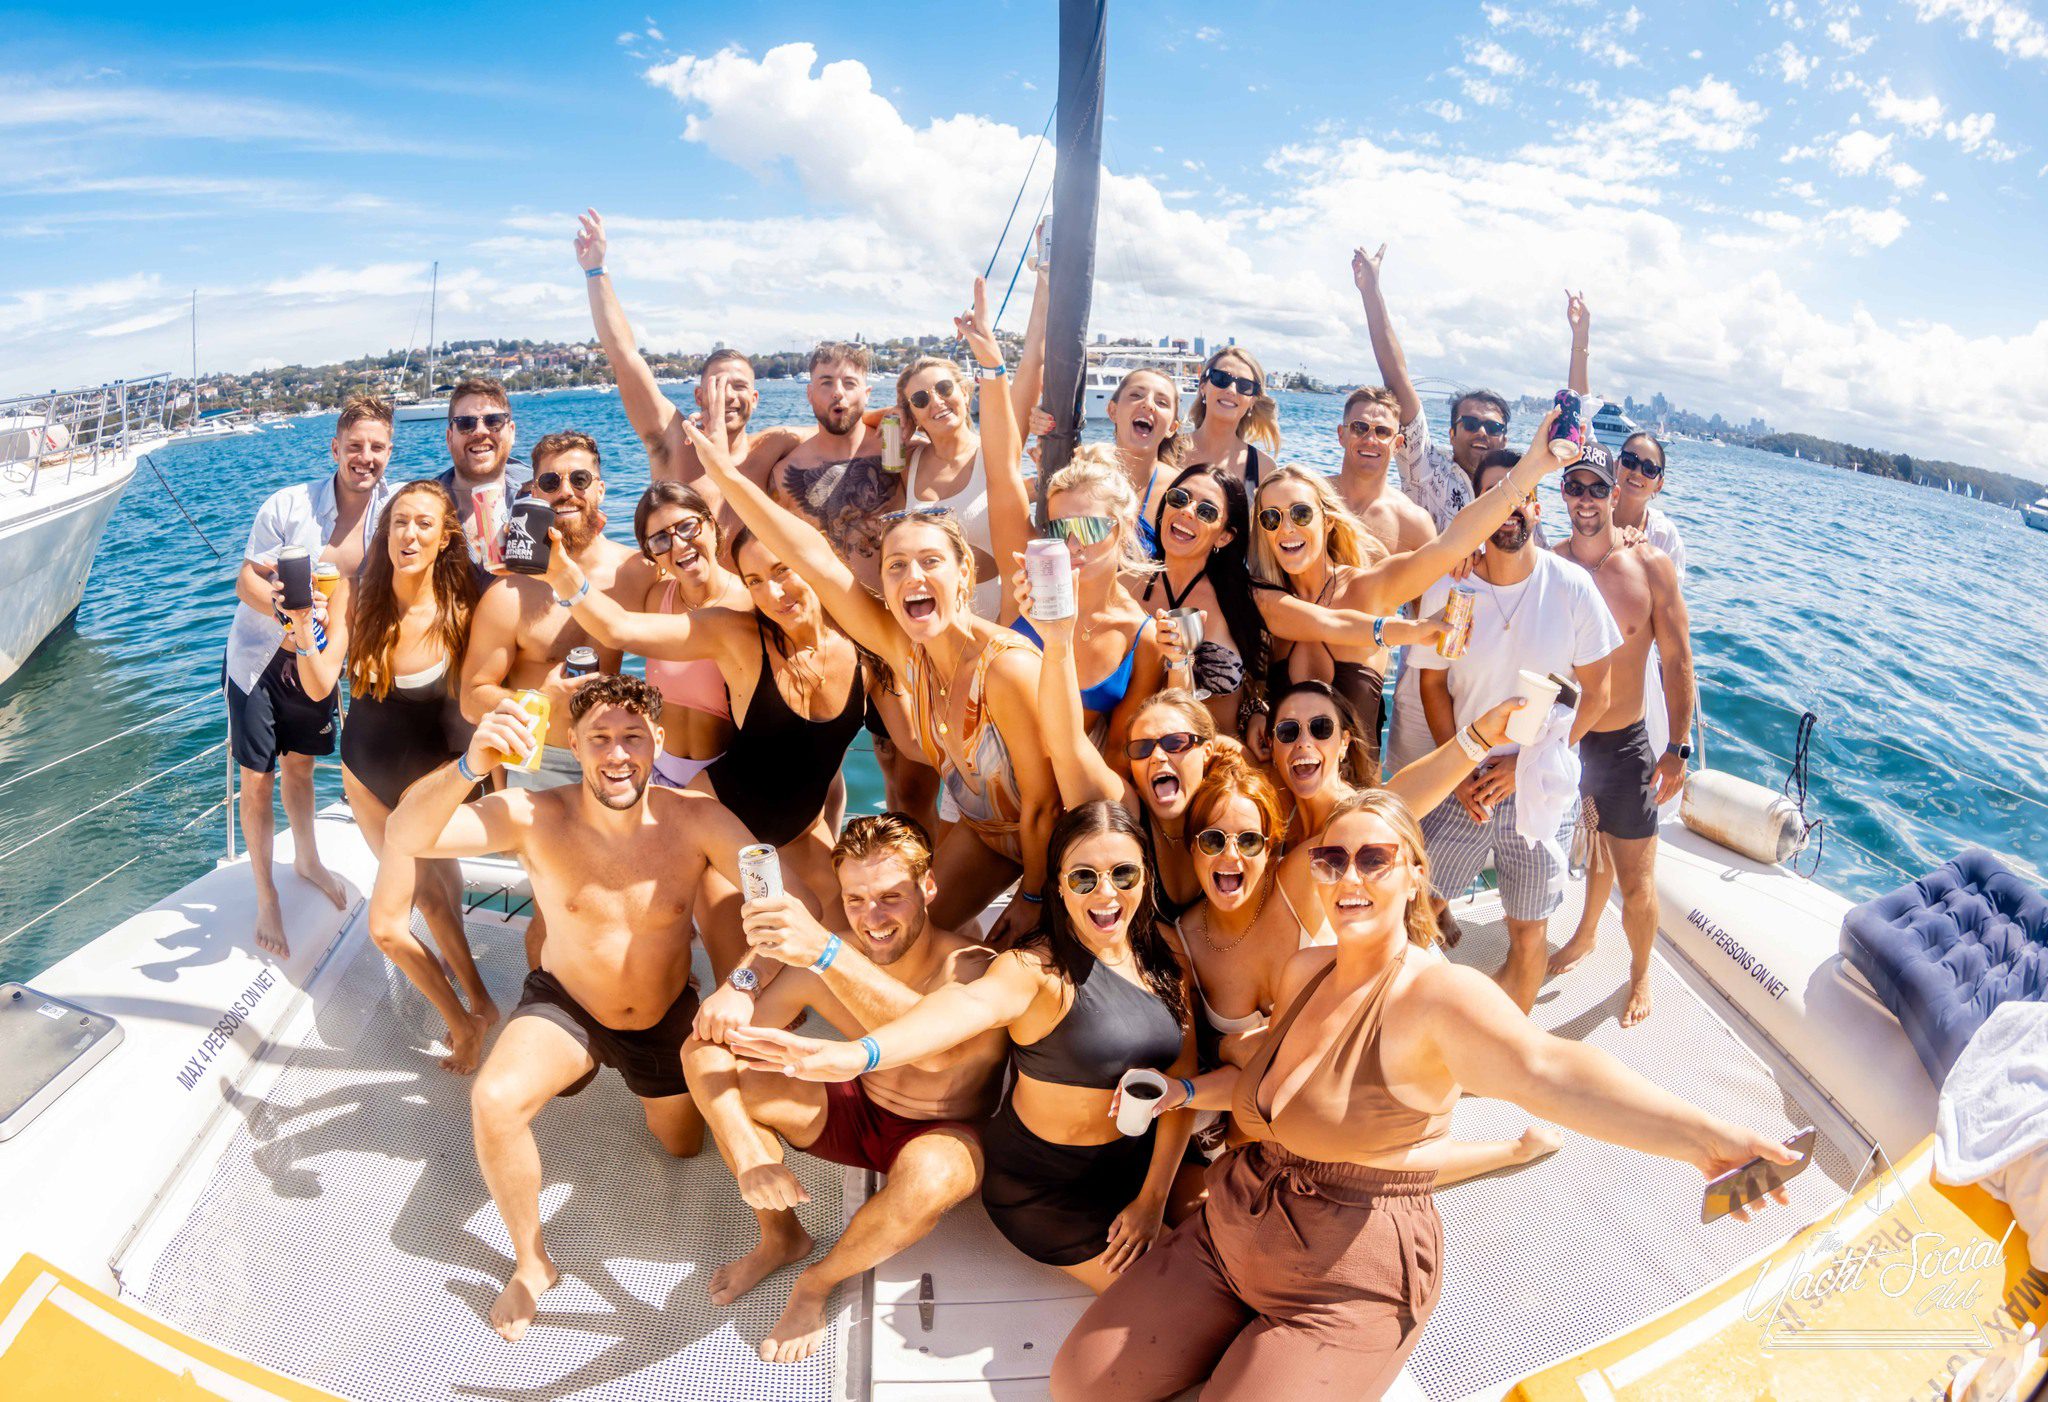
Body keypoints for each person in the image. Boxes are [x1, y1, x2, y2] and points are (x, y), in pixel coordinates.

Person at [1050, 788, 1800, 1401]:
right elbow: (1262, 1085)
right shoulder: (1308, 968)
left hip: (1346, 1280)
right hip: (1240, 1226)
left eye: (1374, 859)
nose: (1349, 877)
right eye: (1332, 858)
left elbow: (1552, 1070)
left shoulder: (1436, 998)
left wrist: (1707, 1140)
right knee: (1078, 1383)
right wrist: (1183, 1090)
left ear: (1414, 872)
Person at [374, 677, 786, 1344]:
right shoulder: (532, 814)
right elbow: (405, 830)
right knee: (495, 1100)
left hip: (662, 1018)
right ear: (573, 744)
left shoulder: (702, 822)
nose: (617, 754)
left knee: (681, 1148)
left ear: (657, 742)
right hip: (564, 1007)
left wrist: (741, 982)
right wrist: (470, 764)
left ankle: (672, 1106)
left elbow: (785, 907)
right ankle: (532, 1263)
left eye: (632, 737)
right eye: (599, 738)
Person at [729, 802, 1200, 1295]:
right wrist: (856, 1054)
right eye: (1084, 877)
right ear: (1059, 884)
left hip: (1138, 1162)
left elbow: (1181, 1083)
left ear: (1146, 875)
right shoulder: (1028, 970)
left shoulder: (1164, 952)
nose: (1106, 892)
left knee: (1230, 1259)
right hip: (1049, 1189)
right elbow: (959, 1011)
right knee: (1174, 1296)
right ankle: (814, 1280)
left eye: (1123, 873)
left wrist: (1153, 1198)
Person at [689, 372, 1058, 939]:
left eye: (930, 562)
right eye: (896, 566)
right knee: (890, 934)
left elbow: (1042, 806)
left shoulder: (1005, 664)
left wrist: (1033, 896)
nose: (912, 576)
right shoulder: (904, 651)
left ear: (965, 575)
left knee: (1005, 951)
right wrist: (724, 476)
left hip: (1054, 841)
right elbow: (810, 555)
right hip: (987, 833)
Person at [682, 814, 1008, 1364]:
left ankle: (817, 1281)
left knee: (931, 1177)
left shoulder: (973, 970)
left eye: (891, 897)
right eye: (855, 900)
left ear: (928, 888)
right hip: (859, 1109)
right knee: (736, 1082)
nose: (872, 919)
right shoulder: (823, 967)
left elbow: (938, 1049)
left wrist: (829, 952)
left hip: (945, 1131)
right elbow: (702, 1049)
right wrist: (746, 1155)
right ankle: (781, 1234)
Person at [538, 518, 869, 929]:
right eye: (755, 581)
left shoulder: (862, 642)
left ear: (815, 560)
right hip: (718, 828)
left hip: (801, 832)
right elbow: (618, 628)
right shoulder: (737, 633)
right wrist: (561, 573)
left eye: (782, 569)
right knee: (765, 953)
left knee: (846, 940)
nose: (774, 592)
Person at [280, 479, 494, 1071]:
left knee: (443, 898)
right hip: (369, 772)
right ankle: (469, 1014)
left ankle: (478, 1002)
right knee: (421, 900)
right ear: (386, 531)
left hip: (441, 777)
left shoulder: (470, 596)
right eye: (400, 522)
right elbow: (321, 683)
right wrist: (302, 625)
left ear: (447, 534)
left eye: (425, 523)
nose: (410, 534)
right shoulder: (361, 592)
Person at [1408, 455, 1622, 1011]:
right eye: (1496, 499)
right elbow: (1433, 688)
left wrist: (1525, 764)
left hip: (1539, 787)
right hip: (1465, 781)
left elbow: (1599, 694)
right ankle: (1412, 1028)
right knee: (1419, 911)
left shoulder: (1572, 588)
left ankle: (1499, 1052)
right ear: (1478, 512)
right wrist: (1454, 770)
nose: (1509, 511)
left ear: (1536, 507)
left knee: (1528, 933)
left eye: (1519, 497)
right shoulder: (1449, 592)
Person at [222, 392, 395, 956]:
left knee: (301, 769)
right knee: (257, 779)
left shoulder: (396, 512)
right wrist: (286, 612)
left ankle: (308, 858)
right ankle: (266, 892)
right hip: (260, 658)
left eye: (376, 447)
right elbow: (247, 580)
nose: (364, 457)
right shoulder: (288, 504)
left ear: (389, 451)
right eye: (354, 446)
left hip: (322, 660)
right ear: (335, 448)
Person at [1251, 457, 1564, 769]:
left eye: (1301, 513)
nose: (1286, 528)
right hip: (1279, 805)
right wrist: (1409, 630)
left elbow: (1451, 543)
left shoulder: (1370, 589)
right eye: (1271, 518)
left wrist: (1534, 465)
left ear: (1327, 520)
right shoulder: (1264, 601)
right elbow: (1325, 624)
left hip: (1356, 808)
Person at [1544, 446, 1694, 1028]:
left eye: (1595, 488)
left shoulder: (1651, 567)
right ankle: (1584, 934)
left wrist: (1677, 748)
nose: (1585, 499)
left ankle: (1639, 972)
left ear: (1615, 495)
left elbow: (1678, 661)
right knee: (1593, 843)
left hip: (1624, 744)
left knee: (1636, 878)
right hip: (1565, 744)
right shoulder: (1548, 564)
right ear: (1564, 495)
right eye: (1574, 488)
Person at [461, 431, 650, 792]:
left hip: (623, 754)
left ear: (600, 489)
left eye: (580, 480)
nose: (566, 492)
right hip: (542, 759)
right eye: (551, 481)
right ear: (535, 493)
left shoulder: (639, 573)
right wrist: (540, 701)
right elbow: (472, 698)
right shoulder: (510, 593)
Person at [575, 208, 760, 495]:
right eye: (718, 384)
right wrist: (595, 269)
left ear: (755, 398)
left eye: (739, 386)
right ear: (698, 396)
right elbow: (624, 356)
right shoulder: (675, 443)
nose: (729, 395)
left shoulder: (772, 451)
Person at [1351, 243, 1511, 532]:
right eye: (1471, 423)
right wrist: (1371, 291)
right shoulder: (1425, 469)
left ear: (1505, 440)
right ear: (1452, 434)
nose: (1482, 432)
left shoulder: (1517, 492)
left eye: (1494, 428)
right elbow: (1396, 377)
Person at [729, 342, 902, 593]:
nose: (838, 392)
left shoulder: (894, 448)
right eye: (826, 382)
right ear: (809, 394)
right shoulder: (785, 472)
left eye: (850, 383)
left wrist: (898, 416)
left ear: (867, 393)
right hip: (827, 620)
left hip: (898, 610)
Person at [628, 481, 748, 790]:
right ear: (651, 554)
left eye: (687, 527)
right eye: (660, 540)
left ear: (710, 524)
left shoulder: (749, 602)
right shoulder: (656, 599)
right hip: (656, 775)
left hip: (724, 779)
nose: (679, 545)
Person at [1333, 385, 1436, 557]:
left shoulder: (1413, 524)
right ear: (1341, 434)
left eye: (1382, 432)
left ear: (1397, 444)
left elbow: (1436, 581)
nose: (1370, 440)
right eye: (1359, 427)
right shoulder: (1312, 497)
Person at [437, 377, 531, 545]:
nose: (480, 431)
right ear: (449, 438)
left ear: (511, 432)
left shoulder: (546, 490)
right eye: (466, 423)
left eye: (493, 421)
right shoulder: (424, 505)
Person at [1102, 367, 1184, 556]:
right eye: (1136, 395)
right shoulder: (1082, 474)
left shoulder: (1182, 490)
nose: (1148, 404)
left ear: (1172, 427)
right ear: (1113, 410)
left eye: (1162, 402)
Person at [1179, 345, 1280, 490]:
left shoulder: (1263, 468)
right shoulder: (1169, 450)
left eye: (1244, 385)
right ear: (1203, 386)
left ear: (1252, 401)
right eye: (1221, 378)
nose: (1231, 390)